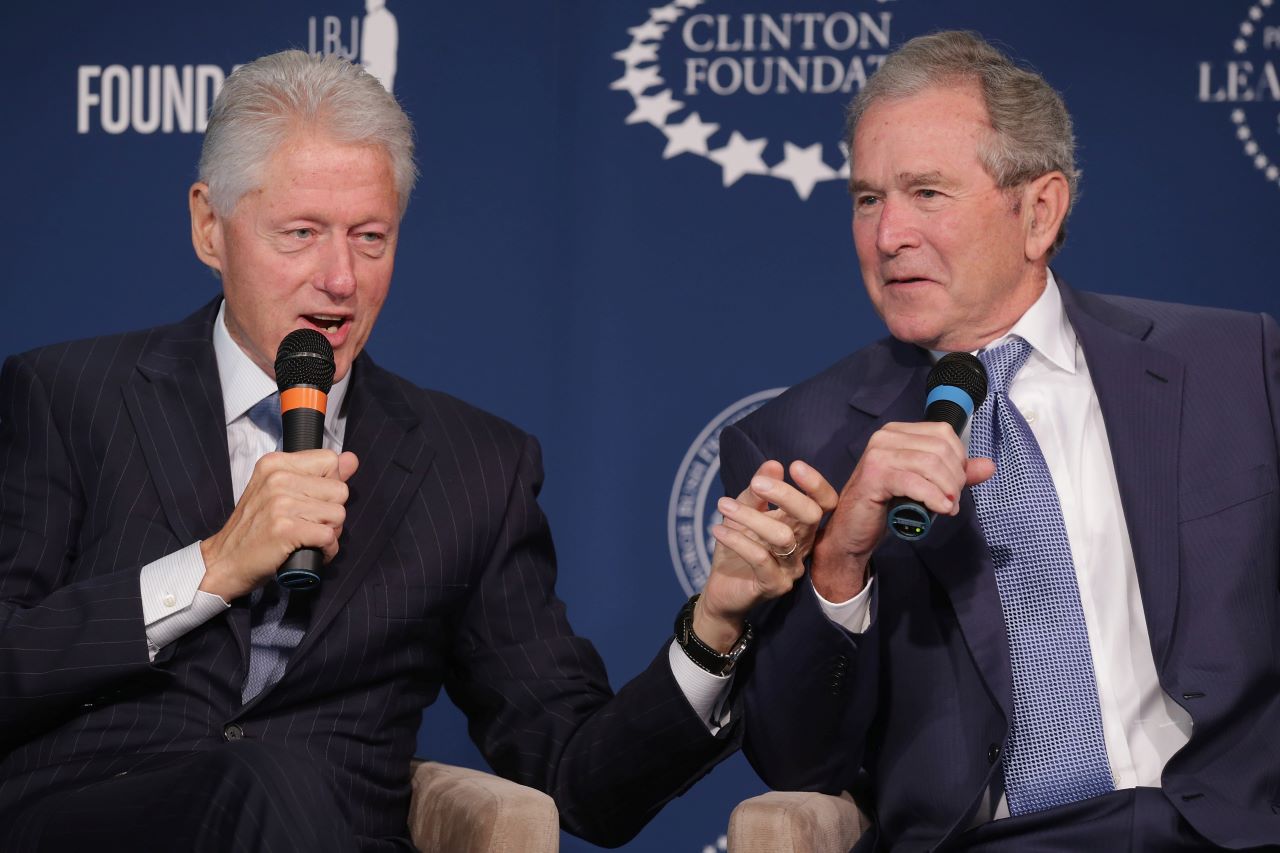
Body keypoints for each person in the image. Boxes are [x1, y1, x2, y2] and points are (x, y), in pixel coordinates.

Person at [0, 49, 793, 851]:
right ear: (211, 225)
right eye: (301, 233)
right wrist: (208, 568)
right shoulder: (70, 396)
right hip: (95, 817)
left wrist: (716, 623)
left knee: (284, 780)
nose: (339, 278)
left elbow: (581, 779)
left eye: (370, 238)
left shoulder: (474, 466)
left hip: (313, 830)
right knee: (261, 776)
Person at [702, 30, 1280, 851]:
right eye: (868, 199)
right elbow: (800, 757)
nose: (888, 233)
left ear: (1038, 210)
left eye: (926, 192)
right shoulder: (798, 441)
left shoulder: (1234, 366)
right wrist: (840, 562)